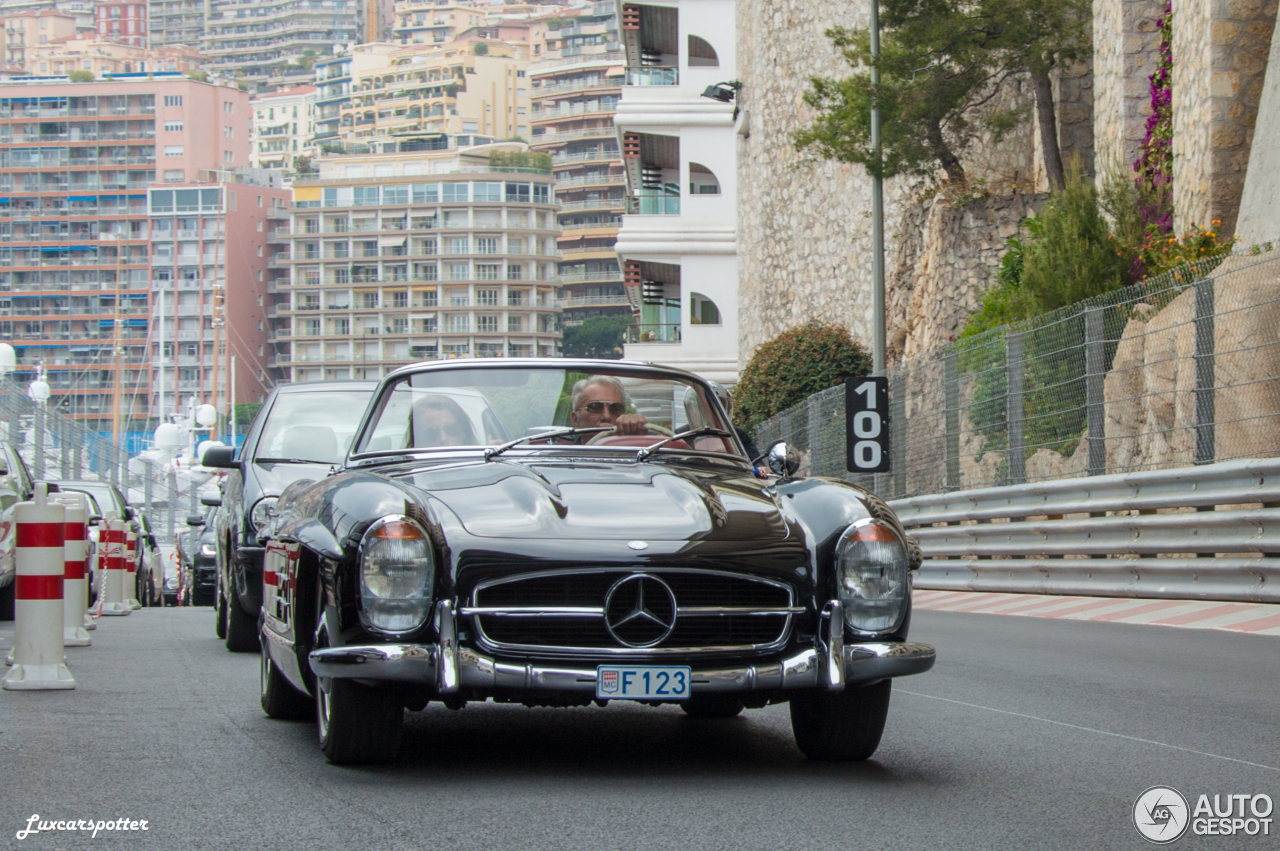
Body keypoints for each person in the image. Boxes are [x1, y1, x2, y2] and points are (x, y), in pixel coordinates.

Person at [568, 376, 647, 437]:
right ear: (575, 420)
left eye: (615, 408)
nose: (607, 416)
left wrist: (639, 440)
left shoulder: (639, 454)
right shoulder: (560, 455)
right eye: (595, 407)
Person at [410, 394, 477, 447]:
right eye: (432, 433)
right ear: (420, 440)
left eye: (451, 428)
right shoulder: (407, 464)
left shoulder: (483, 461)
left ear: (463, 432)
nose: (443, 438)